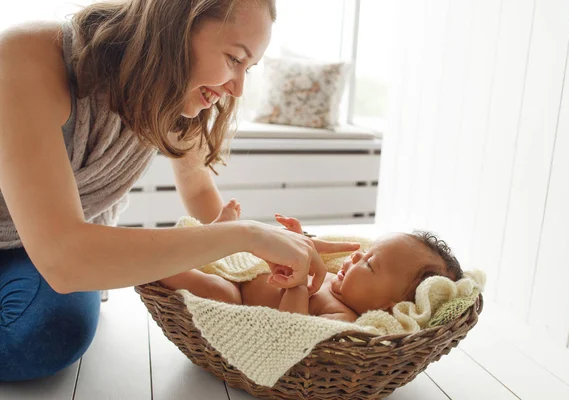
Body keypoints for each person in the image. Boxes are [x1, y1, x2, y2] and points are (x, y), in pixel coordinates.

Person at [0, 0, 359, 382]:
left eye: (248, 68)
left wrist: (249, 272)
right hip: (52, 251)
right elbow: (64, 259)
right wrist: (245, 236)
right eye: (235, 59)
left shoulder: (170, 96)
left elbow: (199, 187)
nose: (237, 88)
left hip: (31, 249)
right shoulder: (27, 57)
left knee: (49, 331)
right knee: (39, 333)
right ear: (176, 25)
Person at [160, 200, 464, 322]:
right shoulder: (336, 283)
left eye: (369, 264)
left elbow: (292, 329)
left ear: (387, 307)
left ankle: (157, 269)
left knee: (214, 290)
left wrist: (298, 283)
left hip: (238, 297)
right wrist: (298, 243)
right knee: (224, 254)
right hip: (249, 269)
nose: (356, 256)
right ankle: (214, 234)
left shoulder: (343, 317)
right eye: (365, 252)